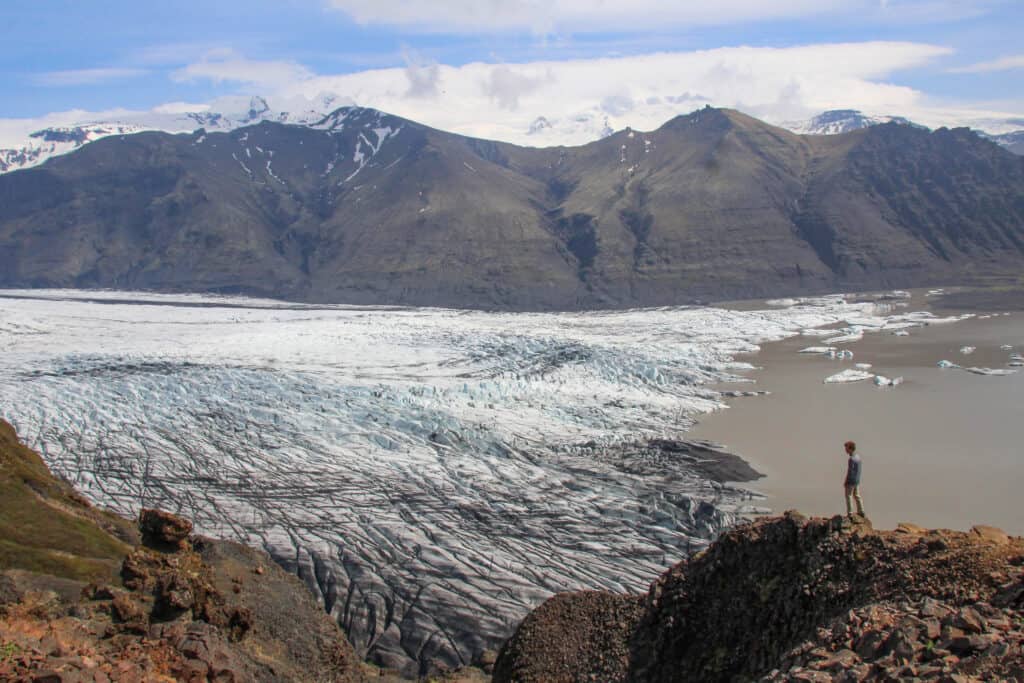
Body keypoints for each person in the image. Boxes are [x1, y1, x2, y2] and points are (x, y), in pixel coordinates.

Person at [843, 440, 865, 517]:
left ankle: (850, 513)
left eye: (846, 448)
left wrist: (846, 481)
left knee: (848, 496)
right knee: (857, 495)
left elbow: (850, 471)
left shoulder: (851, 459)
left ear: (850, 449)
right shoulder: (858, 457)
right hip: (857, 480)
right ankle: (861, 511)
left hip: (851, 481)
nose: (845, 450)